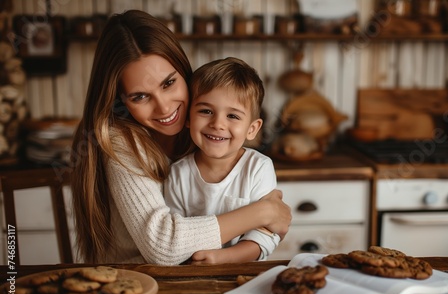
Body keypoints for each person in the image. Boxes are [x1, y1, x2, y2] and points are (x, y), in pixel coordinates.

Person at [69, 10, 291, 265]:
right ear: (119, 101)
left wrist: (259, 227)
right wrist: (263, 212)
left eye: (168, 83)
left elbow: (267, 234)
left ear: (183, 72)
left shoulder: (202, 130)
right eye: (139, 96)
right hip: (134, 282)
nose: (164, 108)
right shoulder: (117, 141)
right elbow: (162, 247)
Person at [165, 57, 281, 264]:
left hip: (244, 275)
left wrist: (221, 258)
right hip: (191, 275)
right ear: (188, 119)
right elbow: (175, 237)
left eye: (233, 116)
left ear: (252, 129)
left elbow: (266, 235)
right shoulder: (177, 174)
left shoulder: (258, 168)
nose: (217, 124)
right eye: (206, 111)